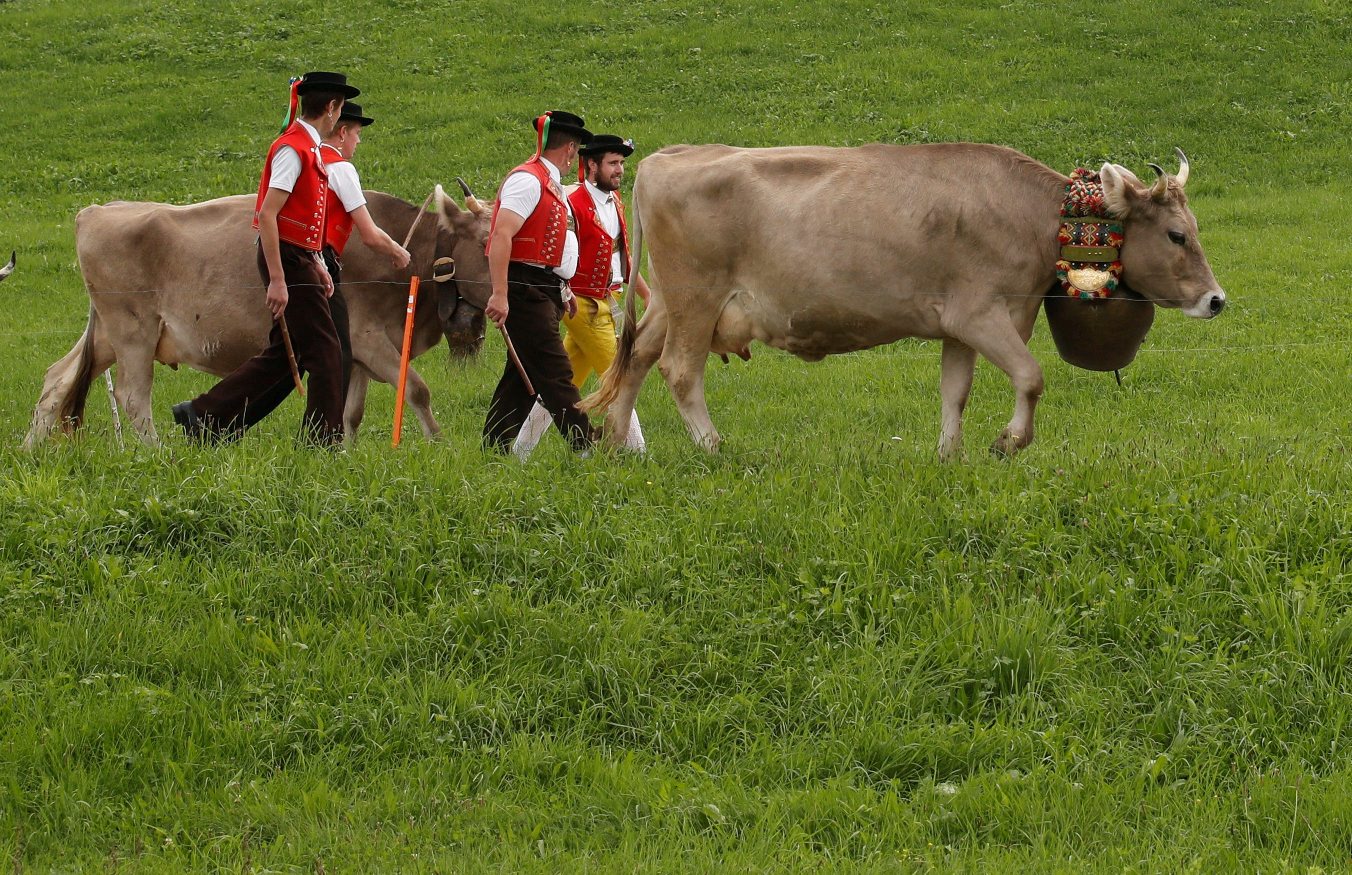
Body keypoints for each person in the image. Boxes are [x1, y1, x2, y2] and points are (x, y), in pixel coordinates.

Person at [173, 71, 358, 445]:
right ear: (332, 107)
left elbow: (304, 219)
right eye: (340, 109)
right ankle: (322, 445)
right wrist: (277, 278)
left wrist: (318, 264)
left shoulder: (309, 150)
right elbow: (269, 215)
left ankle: (207, 417)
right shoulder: (293, 149)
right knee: (326, 354)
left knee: (284, 355)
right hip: (287, 260)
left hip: (301, 259)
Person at [512, 133, 650, 458]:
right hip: (583, 306)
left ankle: (520, 451)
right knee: (620, 377)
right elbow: (556, 253)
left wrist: (647, 296)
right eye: (613, 163)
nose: (620, 170)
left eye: (621, 163)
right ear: (591, 165)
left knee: (560, 383)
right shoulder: (570, 201)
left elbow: (624, 259)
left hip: (606, 299)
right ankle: (638, 455)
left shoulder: (615, 202)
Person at [482, 110, 595, 454]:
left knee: (521, 377)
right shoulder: (528, 180)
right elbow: (501, 236)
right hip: (524, 288)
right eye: (576, 150)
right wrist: (500, 294)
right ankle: (585, 444)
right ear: (571, 148)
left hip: (543, 289)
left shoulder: (548, 184)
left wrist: (564, 288)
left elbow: (552, 247)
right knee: (556, 371)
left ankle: (493, 448)